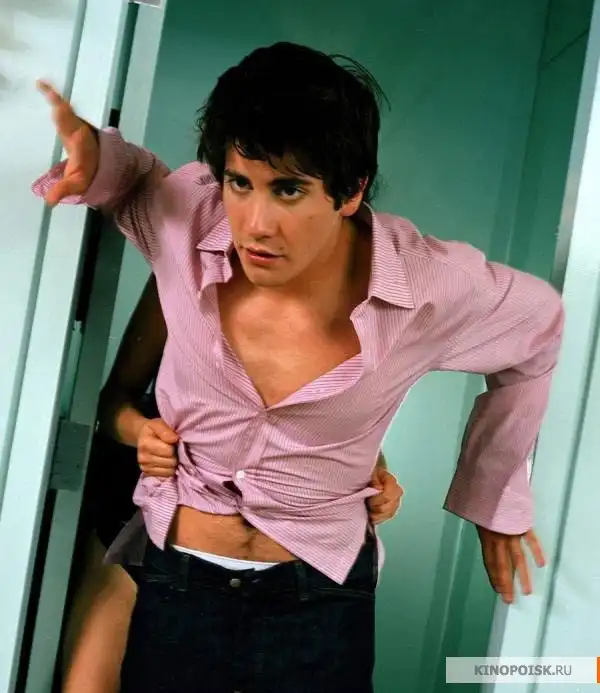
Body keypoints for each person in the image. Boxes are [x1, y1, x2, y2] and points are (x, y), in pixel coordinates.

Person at [34, 41, 563, 693]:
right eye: (240, 183)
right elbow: (136, 178)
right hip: (180, 582)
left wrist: (495, 495)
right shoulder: (189, 222)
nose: (256, 224)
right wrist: (93, 156)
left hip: (320, 603)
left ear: (350, 191)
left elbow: (542, 328)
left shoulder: (428, 284)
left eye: (288, 189)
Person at [60, 274, 403, 693]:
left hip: (299, 568)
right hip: (150, 517)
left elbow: (345, 439)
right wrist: (141, 433)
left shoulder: (358, 299)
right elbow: (114, 402)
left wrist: (377, 477)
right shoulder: (185, 268)